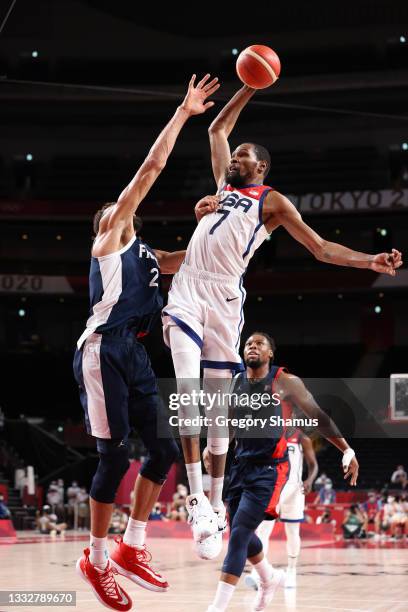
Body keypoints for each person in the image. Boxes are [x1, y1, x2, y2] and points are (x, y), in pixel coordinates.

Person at [162, 81, 403, 559]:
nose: (235, 159)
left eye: (244, 156)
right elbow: (216, 127)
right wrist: (249, 85)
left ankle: (214, 507)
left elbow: (321, 248)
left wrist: (368, 261)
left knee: (217, 424)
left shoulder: (271, 201)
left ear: (262, 166)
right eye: (235, 156)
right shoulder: (221, 188)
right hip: (189, 287)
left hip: (226, 299)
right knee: (186, 391)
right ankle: (197, 502)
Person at [73, 73, 220, 612]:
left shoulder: (147, 256)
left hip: (134, 352)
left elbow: (184, 261)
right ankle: (94, 556)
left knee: (163, 452)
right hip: (103, 349)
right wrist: (183, 114)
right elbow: (152, 168)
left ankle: (132, 546)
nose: (126, 213)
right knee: (113, 459)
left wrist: (209, 222)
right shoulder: (111, 232)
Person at [204, 331, 359, 612]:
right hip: (240, 467)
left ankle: (217, 607)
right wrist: (212, 447)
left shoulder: (284, 381)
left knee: (239, 534)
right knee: (241, 532)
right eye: (248, 343)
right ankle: (269, 577)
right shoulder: (236, 382)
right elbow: (227, 424)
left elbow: (319, 416)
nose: (252, 346)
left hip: (270, 470)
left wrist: (347, 450)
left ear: (270, 353)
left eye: (259, 343)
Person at [245, 426, 318, 591]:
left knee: (292, 532)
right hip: (275, 487)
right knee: (263, 529)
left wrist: (310, 480)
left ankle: (291, 570)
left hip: (295, 490)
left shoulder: (301, 437)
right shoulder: (271, 433)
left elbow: (313, 464)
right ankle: (259, 574)